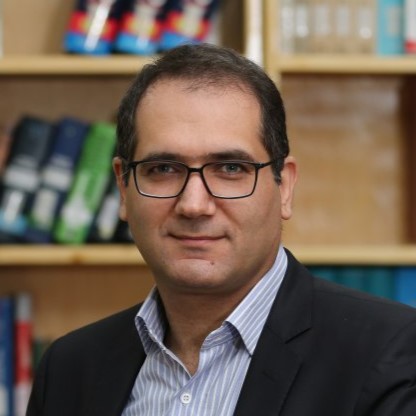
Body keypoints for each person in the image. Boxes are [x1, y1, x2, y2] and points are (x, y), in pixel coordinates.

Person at [27, 43, 416, 416]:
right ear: (123, 188)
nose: (194, 205)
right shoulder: (68, 370)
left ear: (284, 187)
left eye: (231, 168)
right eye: (163, 168)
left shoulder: (392, 353)